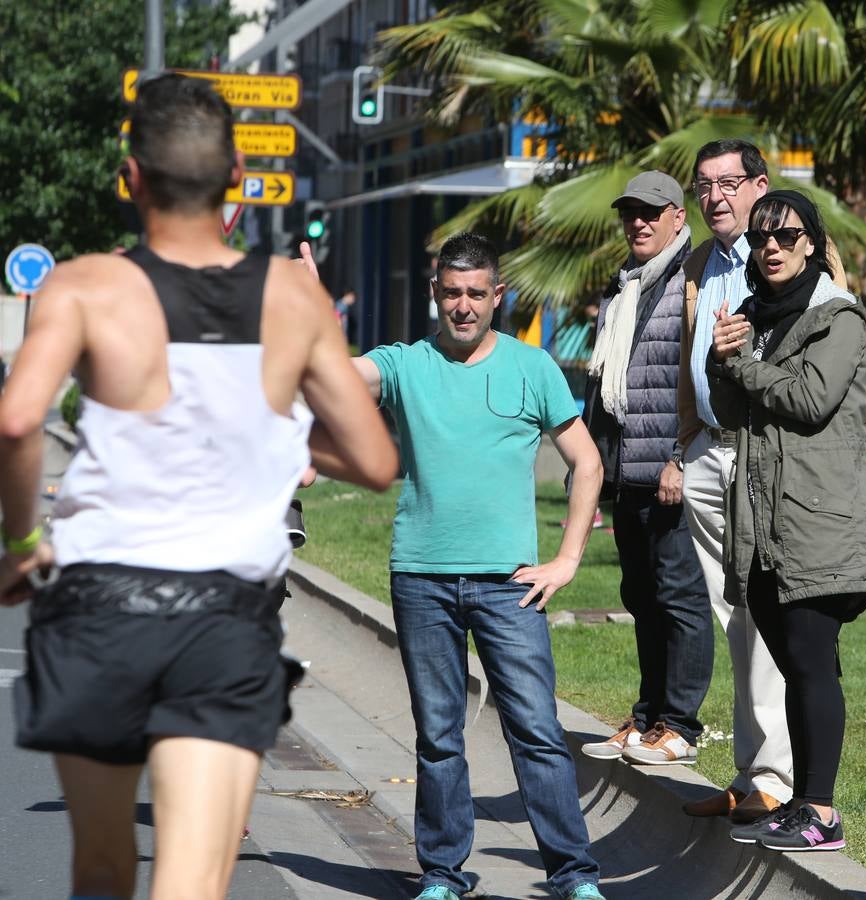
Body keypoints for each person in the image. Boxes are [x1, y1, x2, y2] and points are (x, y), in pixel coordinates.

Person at [0, 73, 397, 900]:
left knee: (102, 870)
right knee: (189, 883)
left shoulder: (81, 285)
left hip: (96, 602)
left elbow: (15, 421)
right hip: (220, 617)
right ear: (238, 186)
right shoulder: (293, 295)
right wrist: (283, 432)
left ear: (132, 176)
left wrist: (20, 543)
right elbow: (375, 460)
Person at [342, 233, 607, 900]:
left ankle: (574, 876)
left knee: (537, 731)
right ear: (436, 293)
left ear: (498, 297)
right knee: (438, 734)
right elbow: (342, 376)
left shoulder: (533, 366)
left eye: (476, 294)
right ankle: (442, 873)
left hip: (508, 586)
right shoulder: (404, 364)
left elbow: (588, 461)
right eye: (452, 293)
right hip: (422, 578)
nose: (463, 306)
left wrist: (567, 560)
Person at [675, 139, 849, 826]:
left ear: (759, 184)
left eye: (728, 183)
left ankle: (779, 777)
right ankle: (753, 773)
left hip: (768, 460)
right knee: (736, 621)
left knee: (772, 618)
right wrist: (683, 442)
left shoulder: (800, 261)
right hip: (708, 452)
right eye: (704, 186)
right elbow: (695, 353)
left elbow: (812, 380)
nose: (714, 197)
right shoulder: (699, 264)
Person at [709, 189, 866, 852]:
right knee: (798, 663)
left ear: (812, 243)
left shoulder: (837, 317)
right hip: (761, 521)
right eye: (761, 237)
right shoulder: (757, 317)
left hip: (814, 519)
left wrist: (742, 363)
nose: (771, 247)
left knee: (809, 663)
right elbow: (730, 409)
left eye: (786, 235)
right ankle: (802, 802)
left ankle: (823, 811)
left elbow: (808, 400)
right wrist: (723, 358)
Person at [579, 171, 713, 766]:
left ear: (677, 219)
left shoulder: (694, 281)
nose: (638, 221)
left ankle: (680, 724)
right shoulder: (623, 287)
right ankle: (646, 717)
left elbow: (702, 383)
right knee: (642, 598)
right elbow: (604, 389)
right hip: (627, 470)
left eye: (651, 212)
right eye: (629, 212)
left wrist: (682, 458)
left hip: (671, 470)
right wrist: (593, 467)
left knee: (679, 597)